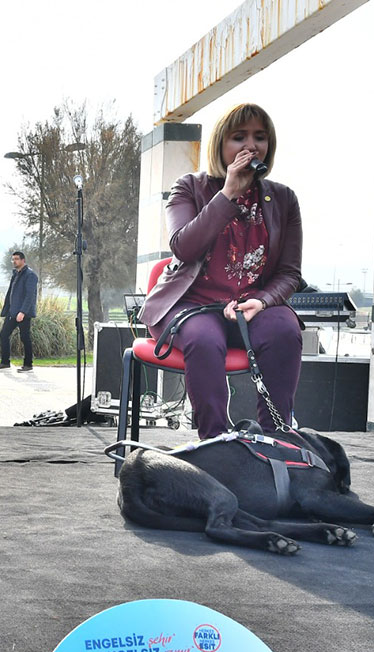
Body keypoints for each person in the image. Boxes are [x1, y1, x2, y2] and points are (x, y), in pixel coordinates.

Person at [139, 102, 303, 440]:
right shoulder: (189, 188)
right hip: (192, 304)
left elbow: (289, 272)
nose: (250, 146)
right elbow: (184, 247)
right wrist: (229, 193)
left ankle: (276, 438)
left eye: (260, 137)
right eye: (238, 137)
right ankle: (214, 441)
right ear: (220, 144)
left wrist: (264, 300)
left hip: (252, 306)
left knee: (285, 330)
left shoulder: (284, 199)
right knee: (203, 338)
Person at [0, 251, 38, 371]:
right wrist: (7, 309)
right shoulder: (15, 274)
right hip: (12, 312)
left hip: (24, 313)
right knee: (3, 334)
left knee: (25, 337)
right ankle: (5, 362)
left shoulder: (30, 275)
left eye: (17, 259)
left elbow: (30, 296)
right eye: (13, 259)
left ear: (23, 260)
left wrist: (22, 312)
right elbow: (10, 293)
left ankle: (28, 364)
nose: (14, 261)